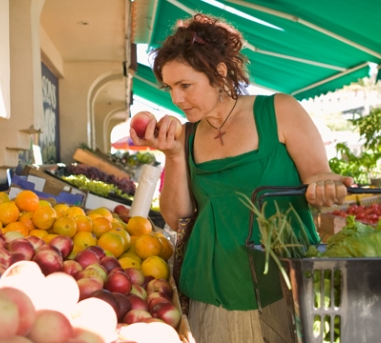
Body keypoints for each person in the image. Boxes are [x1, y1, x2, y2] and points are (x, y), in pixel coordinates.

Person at [129, 13, 354, 343]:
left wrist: (324, 186)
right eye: (170, 88)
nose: (175, 99)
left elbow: (318, 175)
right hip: (212, 293)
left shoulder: (278, 111)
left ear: (219, 73)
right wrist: (174, 155)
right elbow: (178, 219)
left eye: (185, 86)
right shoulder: (187, 136)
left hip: (284, 287)